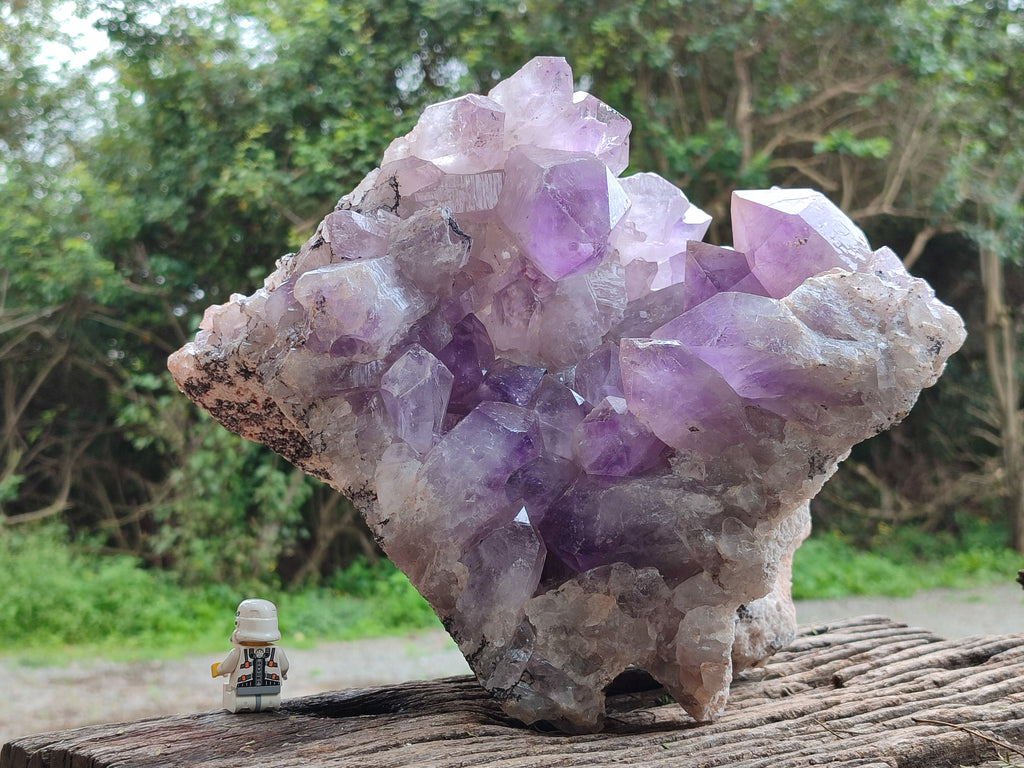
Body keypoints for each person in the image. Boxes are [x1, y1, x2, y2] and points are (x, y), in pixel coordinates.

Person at [211, 598, 290, 713]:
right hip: (271, 692)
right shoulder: (277, 651)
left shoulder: (237, 652)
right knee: (268, 703)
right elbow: (284, 667)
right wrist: (283, 674)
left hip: (243, 693)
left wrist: (218, 670)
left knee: (241, 702)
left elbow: (226, 667)